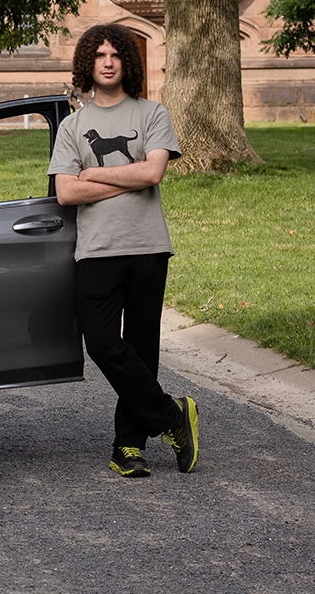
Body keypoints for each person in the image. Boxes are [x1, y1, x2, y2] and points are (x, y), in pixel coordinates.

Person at [48, 23, 199, 477]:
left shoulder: (152, 113)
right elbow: (65, 194)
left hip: (147, 246)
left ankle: (128, 447)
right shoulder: (73, 125)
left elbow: (152, 174)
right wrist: (121, 177)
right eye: (100, 56)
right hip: (96, 250)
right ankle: (172, 415)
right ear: (87, 64)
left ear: (126, 63)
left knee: (141, 346)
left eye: (116, 55)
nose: (108, 62)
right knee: (101, 344)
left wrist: (92, 175)